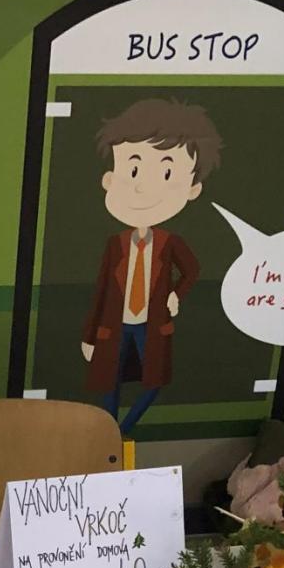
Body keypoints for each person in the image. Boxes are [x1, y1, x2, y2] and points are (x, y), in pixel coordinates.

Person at [80, 98, 220, 435]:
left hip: (151, 324)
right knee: (110, 381)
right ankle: (110, 433)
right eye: (133, 170)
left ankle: (123, 429)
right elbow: (102, 290)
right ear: (109, 179)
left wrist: (176, 294)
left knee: (153, 382)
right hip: (116, 325)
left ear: (193, 189)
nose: (144, 187)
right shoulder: (116, 244)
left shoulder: (170, 243)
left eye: (167, 173)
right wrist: (89, 337)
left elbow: (192, 270)